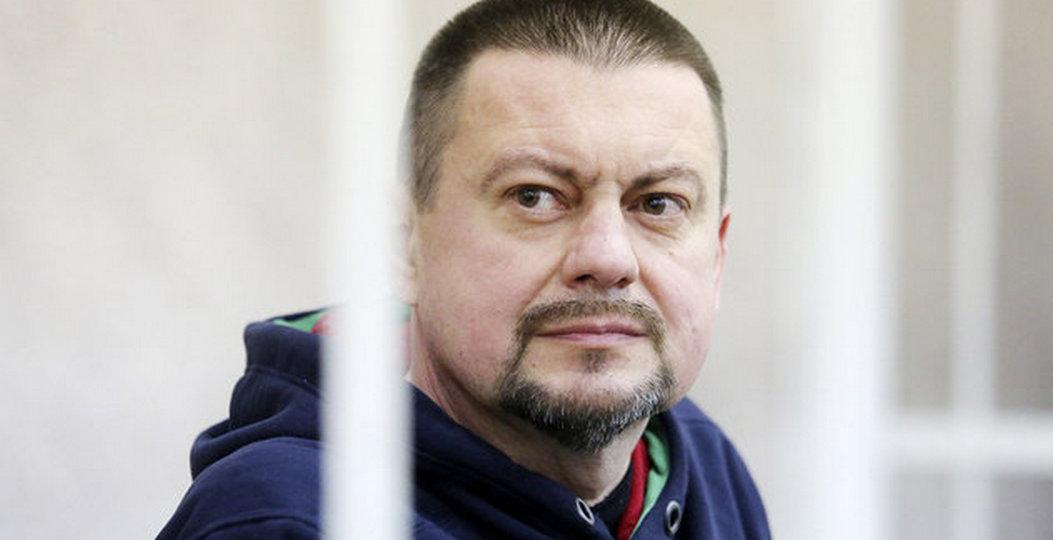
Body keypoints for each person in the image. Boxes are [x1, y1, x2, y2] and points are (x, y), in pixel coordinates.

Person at [159, 0, 769, 538]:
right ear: (405, 244)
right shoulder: (291, 521)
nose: (607, 258)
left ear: (716, 257)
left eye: (658, 204)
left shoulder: (703, 471)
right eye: (535, 196)